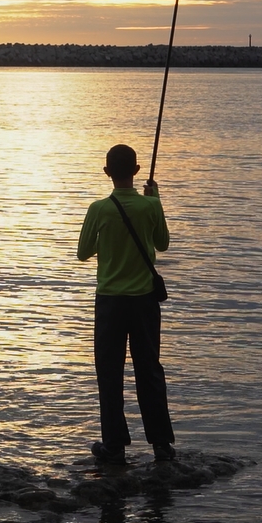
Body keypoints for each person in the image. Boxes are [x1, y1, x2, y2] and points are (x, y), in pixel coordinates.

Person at [76, 143, 174, 465]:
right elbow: (162, 244)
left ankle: (114, 446)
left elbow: (83, 252)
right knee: (149, 371)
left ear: (107, 173)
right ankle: (161, 444)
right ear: (135, 171)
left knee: (109, 372)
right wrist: (154, 200)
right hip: (144, 302)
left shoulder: (99, 209)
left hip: (110, 303)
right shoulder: (149, 207)